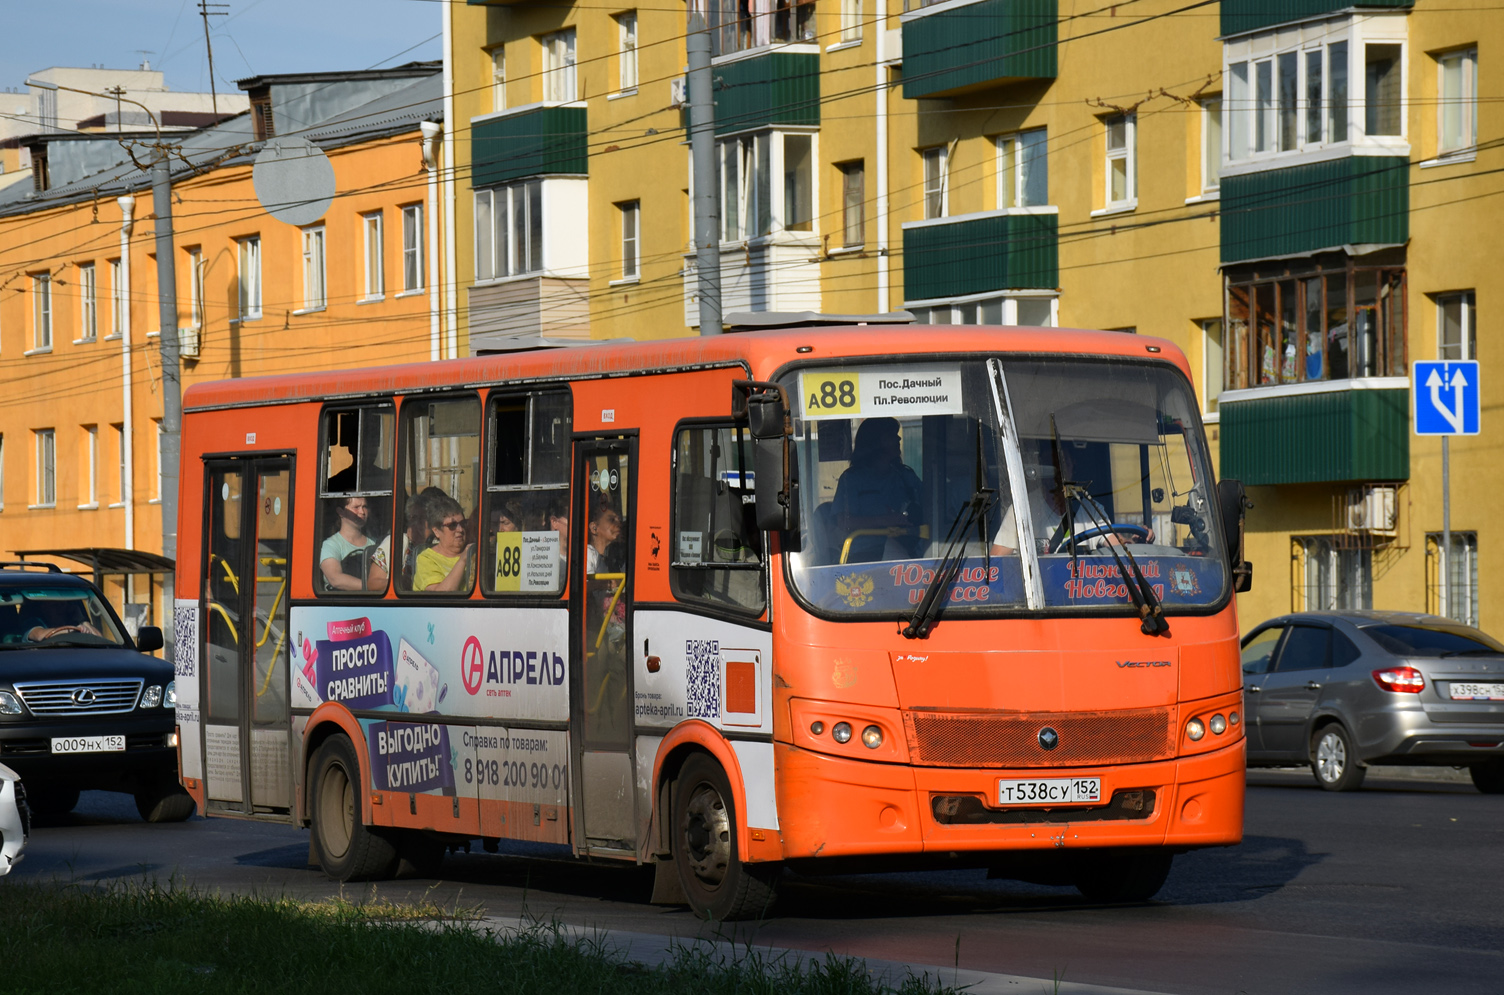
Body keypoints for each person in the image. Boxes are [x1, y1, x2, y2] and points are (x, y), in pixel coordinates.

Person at [832, 417, 922, 562]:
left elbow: (931, 507)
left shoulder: (906, 476)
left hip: (907, 553)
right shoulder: (851, 479)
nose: (898, 438)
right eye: (891, 435)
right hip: (865, 556)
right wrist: (887, 520)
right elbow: (844, 522)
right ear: (875, 441)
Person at [320, 496, 389, 591]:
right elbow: (335, 579)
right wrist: (371, 587)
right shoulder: (330, 545)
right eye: (356, 507)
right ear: (341, 512)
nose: (362, 512)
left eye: (364, 506)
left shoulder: (374, 543)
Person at [413, 494, 475, 592]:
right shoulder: (426, 559)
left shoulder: (474, 553)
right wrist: (463, 560)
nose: (460, 529)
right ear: (436, 531)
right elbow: (440, 596)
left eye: (463, 523)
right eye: (452, 525)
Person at [586, 499, 623, 575]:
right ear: (594, 528)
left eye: (619, 520)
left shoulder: (617, 558)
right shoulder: (588, 554)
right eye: (612, 520)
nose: (618, 523)